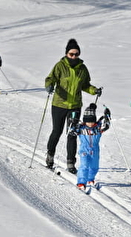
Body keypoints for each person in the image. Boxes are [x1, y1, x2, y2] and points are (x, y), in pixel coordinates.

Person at [45, 38, 102, 174]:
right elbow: (50, 78)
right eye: (71, 54)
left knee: (72, 134)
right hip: (59, 104)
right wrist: (49, 86)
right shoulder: (60, 66)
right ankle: (50, 155)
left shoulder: (82, 69)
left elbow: (85, 85)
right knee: (57, 131)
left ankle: (71, 162)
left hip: (75, 106)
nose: (74, 56)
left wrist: (94, 90)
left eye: (76, 54)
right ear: (66, 54)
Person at [71, 103, 110, 190]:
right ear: (85, 121)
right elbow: (72, 130)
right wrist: (73, 122)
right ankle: (81, 182)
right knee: (84, 166)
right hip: (84, 150)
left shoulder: (98, 128)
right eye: (88, 122)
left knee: (94, 167)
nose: (90, 124)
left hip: (95, 150)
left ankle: (90, 179)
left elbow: (106, 125)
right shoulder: (81, 128)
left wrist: (107, 117)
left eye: (92, 121)